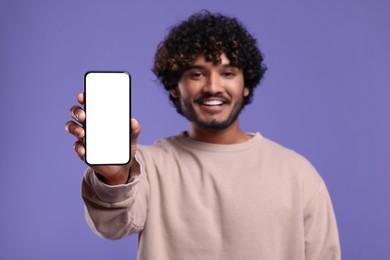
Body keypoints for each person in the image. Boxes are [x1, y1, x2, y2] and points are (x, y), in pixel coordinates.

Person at [65, 11, 340, 260]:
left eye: (228, 72)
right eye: (197, 73)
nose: (213, 86)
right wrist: (115, 178)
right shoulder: (145, 167)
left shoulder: (298, 174)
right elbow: (112, 227)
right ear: (175, 86)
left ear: (246, 85)